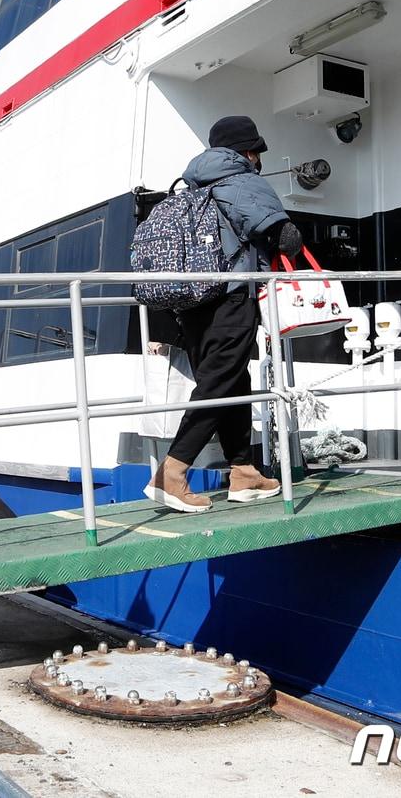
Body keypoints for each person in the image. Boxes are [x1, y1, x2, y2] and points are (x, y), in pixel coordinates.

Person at [144, 115, 303, 512]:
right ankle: (172, 471)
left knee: (231, 380)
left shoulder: (189, 186)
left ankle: (243, 470)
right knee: (219, 383)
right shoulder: (242, 180)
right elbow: (285, 237)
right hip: (230, 297)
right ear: (248, 151)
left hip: (192, 302)